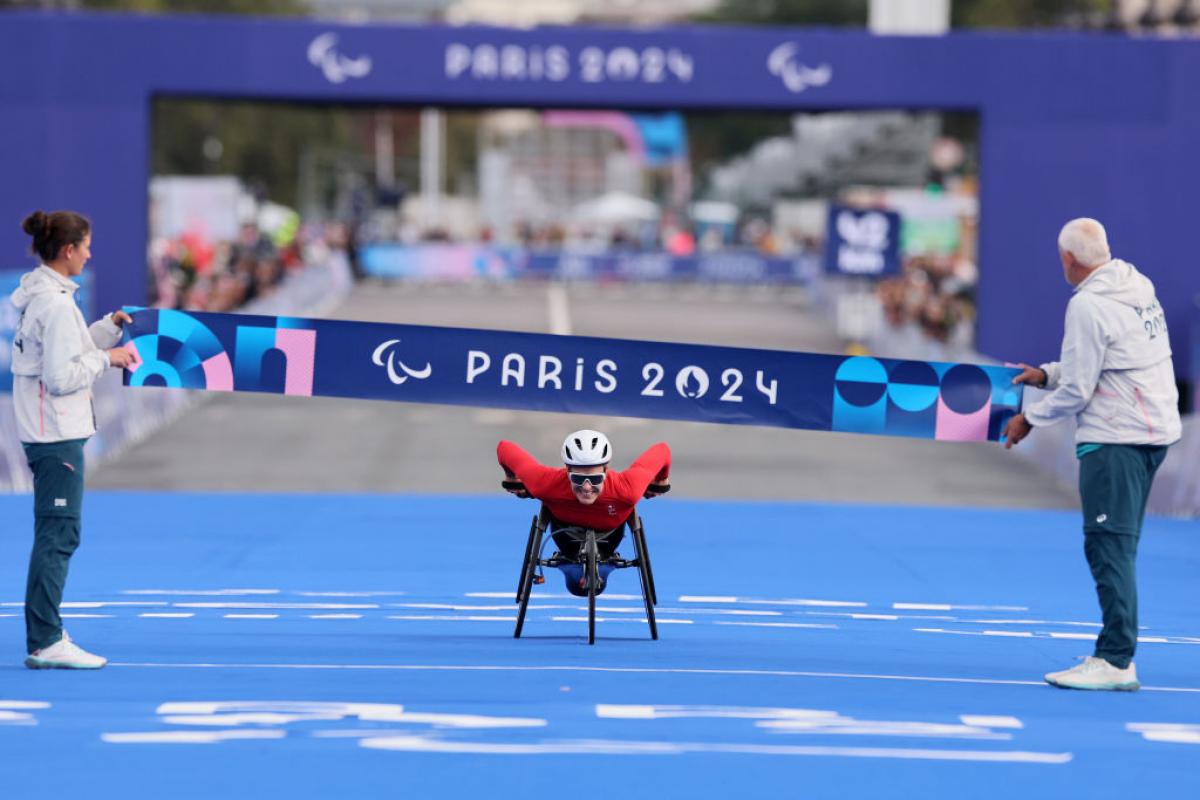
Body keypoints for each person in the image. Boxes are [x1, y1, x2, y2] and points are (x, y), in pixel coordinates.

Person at [1002, 217, 1181, 692]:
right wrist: (1046, 374)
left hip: (1116, 439)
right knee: (1119, 546)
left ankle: (1116, 659)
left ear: (1067, 259)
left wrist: (1029, 419)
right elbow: (1106, 361)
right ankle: (1115, 651)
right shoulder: (1137, 285)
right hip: (1153, 433)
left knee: (1109, 547)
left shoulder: (1087, 306)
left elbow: (1080, 389)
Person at [10, 210, 133, 670]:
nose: (90, 252)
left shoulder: (46, 296)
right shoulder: (56, 305)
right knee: (58, 535)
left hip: (49, 431)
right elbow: (63, 376)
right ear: (67, 250)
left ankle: (45, 635)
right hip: (54, 432)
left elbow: (71, 348)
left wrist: (108, 328)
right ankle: (45, 639)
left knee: (56, 533)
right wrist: (110, 358)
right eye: (85, 245)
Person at [497, 429, 670, 596]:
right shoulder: (546, 483)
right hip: (566, 538)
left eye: (595, 479)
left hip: (609, 538)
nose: (587, 488)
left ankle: (595, 566)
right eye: (578, 479)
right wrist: (661, 479)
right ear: (567, 470)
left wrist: (512, 477)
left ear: (605, 469)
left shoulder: (627, 488)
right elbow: (503, 446)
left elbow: (663, 449)